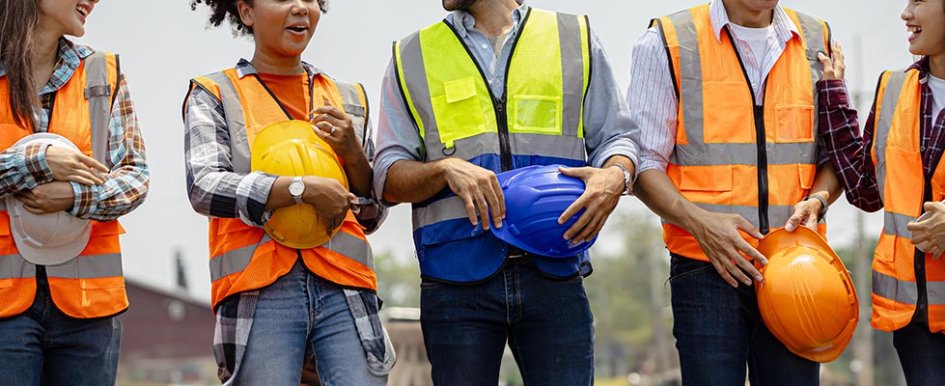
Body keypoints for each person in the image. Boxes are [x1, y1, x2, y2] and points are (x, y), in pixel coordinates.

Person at [373, 0, 638, 384]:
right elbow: (387, 176)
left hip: (555, 270)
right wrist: (444, 169)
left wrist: (614, 177)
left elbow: (618, 138)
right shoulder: (411, 55)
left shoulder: (572, 37)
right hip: (455, 279)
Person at [627, 0, 842, 384]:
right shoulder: (668, 40)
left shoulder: (817, 38)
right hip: (706, 268)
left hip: (796, 268)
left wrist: (819, 199)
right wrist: (701, 223)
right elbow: (642, 163)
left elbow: (836, 155)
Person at [184, 0, 392, 384]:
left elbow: (373, 214)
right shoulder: (216, 93)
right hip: (260, 290)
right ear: (246, 12)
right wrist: (299, 189)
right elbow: (204, 186)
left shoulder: (347, 99)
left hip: (344, 289)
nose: (300, 7)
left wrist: (353, 154)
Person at [0, 0, 150, 384]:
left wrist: (72, 196)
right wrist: (38, 164)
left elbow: (134, 178)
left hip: (88, 312)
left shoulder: (102, 73)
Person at [817, 1, 945, 383]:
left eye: (920, 1)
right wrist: (834, 96)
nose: (906, 14)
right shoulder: (893, 89)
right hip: (915, 319)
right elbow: (866, 191)